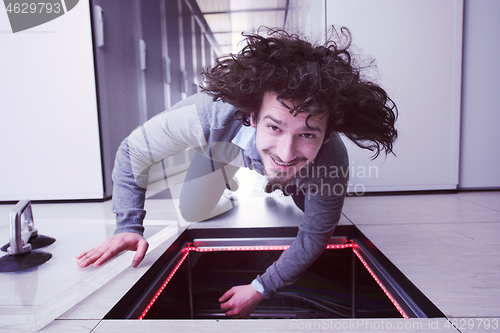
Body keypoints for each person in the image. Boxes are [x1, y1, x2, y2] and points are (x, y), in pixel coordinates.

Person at [76, 27, 397, 318]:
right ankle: (224, 173)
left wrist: (261, 287)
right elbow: (133, 151)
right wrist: (128, 225)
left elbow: (313, 237)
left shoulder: (331, 158)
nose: (286, 152)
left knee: (306, 206)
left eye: (307, 134)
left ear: (326, 136)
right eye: (274, 126)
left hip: (299, 176)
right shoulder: (206, 115)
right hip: (223, 152)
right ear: (253, 117)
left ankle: (279, 184)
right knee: (194, 208)